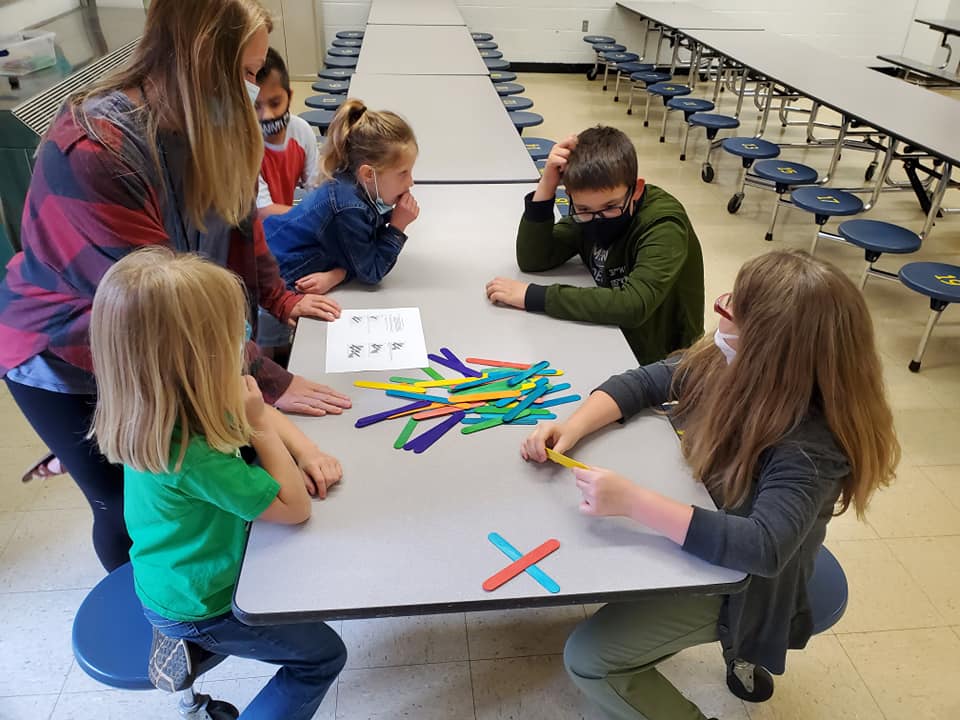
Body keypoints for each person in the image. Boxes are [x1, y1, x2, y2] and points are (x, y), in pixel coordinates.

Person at [0, 0, 351, 572]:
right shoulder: (96, 150)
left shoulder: (214, 127)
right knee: (129, 505)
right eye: (246, 72)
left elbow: (242, 229)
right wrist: (269, 384)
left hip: (175, 348)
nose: (254, 89)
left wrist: (282, 301)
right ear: (200, 59)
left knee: (210, 480)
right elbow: (165, 314)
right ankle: (158, 613)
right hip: (73, 355)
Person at [520, 250, 900, 720]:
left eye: (735, 309)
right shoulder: (729, 363)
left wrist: (634, 502)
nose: (722, 311)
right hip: (709, 533)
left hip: (747, 585)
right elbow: (648, 381)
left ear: (772, 349)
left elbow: (763, 548)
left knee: (588, 659)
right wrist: (572, 427)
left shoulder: (810, 445)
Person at [90, 247, 346, 720]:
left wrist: (307, 451)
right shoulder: (191, 456)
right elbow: (294, 507)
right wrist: (262, 427)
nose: (245, 343)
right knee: (324, 657)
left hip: (179, 570)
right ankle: (189, 638)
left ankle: (183, 636)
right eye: (237, 334)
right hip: (205, 603)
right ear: (198, 356)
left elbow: (252, 403)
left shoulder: (170, 398)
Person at [485, 126, 704, 365]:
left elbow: (633, 304)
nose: (598, 217)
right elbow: (535, 258)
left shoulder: (664, 224)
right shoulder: (586, 216)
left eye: (610, 207)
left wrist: (534, 296)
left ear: (637, 190)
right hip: (608, 335)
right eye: (584, 208)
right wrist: (547, 184)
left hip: (662, 359)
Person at [257, 98, 419, 352]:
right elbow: (371, 270)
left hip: (280, 263)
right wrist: (397, 228)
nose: (411, 182)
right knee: (273, 354)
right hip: (274, 281)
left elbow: (363, 248)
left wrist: (339, 273)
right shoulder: (349, 207)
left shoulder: (359, 186)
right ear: (368, 174)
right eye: (403, 173)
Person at [254, 47, 320, 218]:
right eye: (256, 106)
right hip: (254, 231)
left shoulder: (302, 131)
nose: (267, 115)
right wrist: (314, 216)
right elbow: (263, 211)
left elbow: (317, 188)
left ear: (289, 97)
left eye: (275, 103)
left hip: (284, 223)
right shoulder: (244, 145)